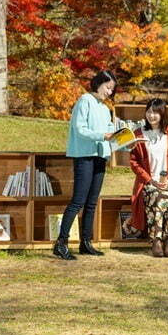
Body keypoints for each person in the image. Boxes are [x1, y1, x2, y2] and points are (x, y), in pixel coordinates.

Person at [54, 70, 119, 261]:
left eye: (112, 89)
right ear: (98, 83)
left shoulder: (105, 108)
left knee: (92, 202)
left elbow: (109, 130)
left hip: (100, 156)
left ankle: (85, 243)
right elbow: (80, 129)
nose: (109, 92)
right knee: (78, 201)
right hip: (84, 156)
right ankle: (61, 243)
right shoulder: (84, 101)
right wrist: (102, 136)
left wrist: (117, 138)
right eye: (108, 87)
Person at [129, 98, 168, 257]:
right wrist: (149, 179)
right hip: (149, 181)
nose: (151, 115)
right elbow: (134, 162)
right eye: (149, 112)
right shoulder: (138, 133)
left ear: (162, 114)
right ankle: (156, 240)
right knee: (158, 196)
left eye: (155, 112)